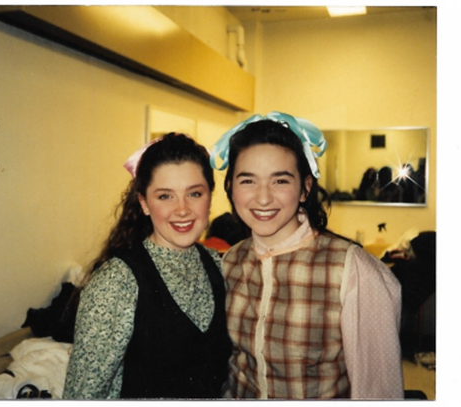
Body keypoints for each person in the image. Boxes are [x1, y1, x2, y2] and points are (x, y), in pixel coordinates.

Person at [209, 112, 403, 400]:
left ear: (305, 188)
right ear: (230, 188)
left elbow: (378, 391)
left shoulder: (353, 270)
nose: (263, 198)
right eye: (248, 181)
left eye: (280, 181)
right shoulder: (229, 262)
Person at [62, 133, 232, 399]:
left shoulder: (219, 265)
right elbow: (83, 395)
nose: (182, 209)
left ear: (210, 196)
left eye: (194, 193)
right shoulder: (117, 282)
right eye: (165, 196)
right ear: (144, 203)